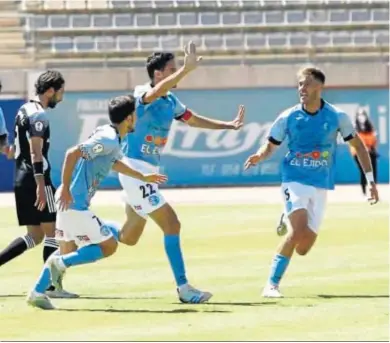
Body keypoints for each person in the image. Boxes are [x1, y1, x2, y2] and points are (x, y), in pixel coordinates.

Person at [118, 41, 245, 304]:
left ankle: (82, 236)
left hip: (146, 172)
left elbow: (193, 119)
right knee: (172, 224)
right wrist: (186, 70)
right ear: (158, 74)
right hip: (134, 169)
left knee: (128, 237)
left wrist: (228, 126)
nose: (177, 73)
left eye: (178, 69)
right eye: (172, 69)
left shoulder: (171, 100)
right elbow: (153, 95)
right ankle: (184, 288)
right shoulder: (143, 92)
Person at [244, 67, 379, 298]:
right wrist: (259, 155)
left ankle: (288, 216)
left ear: (319, 86)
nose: (302, 89)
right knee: (297, 231)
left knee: (303, 248)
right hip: (294, 179)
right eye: (299, 85)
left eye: (306, 84)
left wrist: (370, 181)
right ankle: (271, 285)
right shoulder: (288, 116)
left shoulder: (337, 116)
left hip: (321, 184)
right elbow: (270, 145)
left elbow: (358, 146)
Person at [26, 94, 167, 309]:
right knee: (108, 245)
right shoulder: (109, 139)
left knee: (67, 247)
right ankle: (60, 264)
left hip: (70, 202)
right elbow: (71, 153)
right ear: (129, 118)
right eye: (135, 115)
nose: (137, 119)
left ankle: (37, 291)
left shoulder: (111, 136)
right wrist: (64, 187)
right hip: (73, 203)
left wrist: (142, 177)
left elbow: (114, 162)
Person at [0, 70, 76, 298]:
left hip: (20, 178)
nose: (61, 97)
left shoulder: (24, 109)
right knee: (53, 232)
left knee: (34, 235)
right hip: (36, 179)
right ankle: (52, 287)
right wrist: (41, 186)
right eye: (60, 92)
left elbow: (14, 149)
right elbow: (35, 151)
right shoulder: (39, 115)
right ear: (51, 90)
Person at [350, 108, 378, 196]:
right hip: (358, 153)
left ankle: (374, 192)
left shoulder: (370, 127)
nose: (361, 117)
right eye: (359, 114)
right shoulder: (354, 127)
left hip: (370, 153)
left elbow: (373, 140)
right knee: (363, 171)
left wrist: (370, 147)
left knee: (373, 172)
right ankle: (364, 192)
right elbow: (354, 142)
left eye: (363, 114)